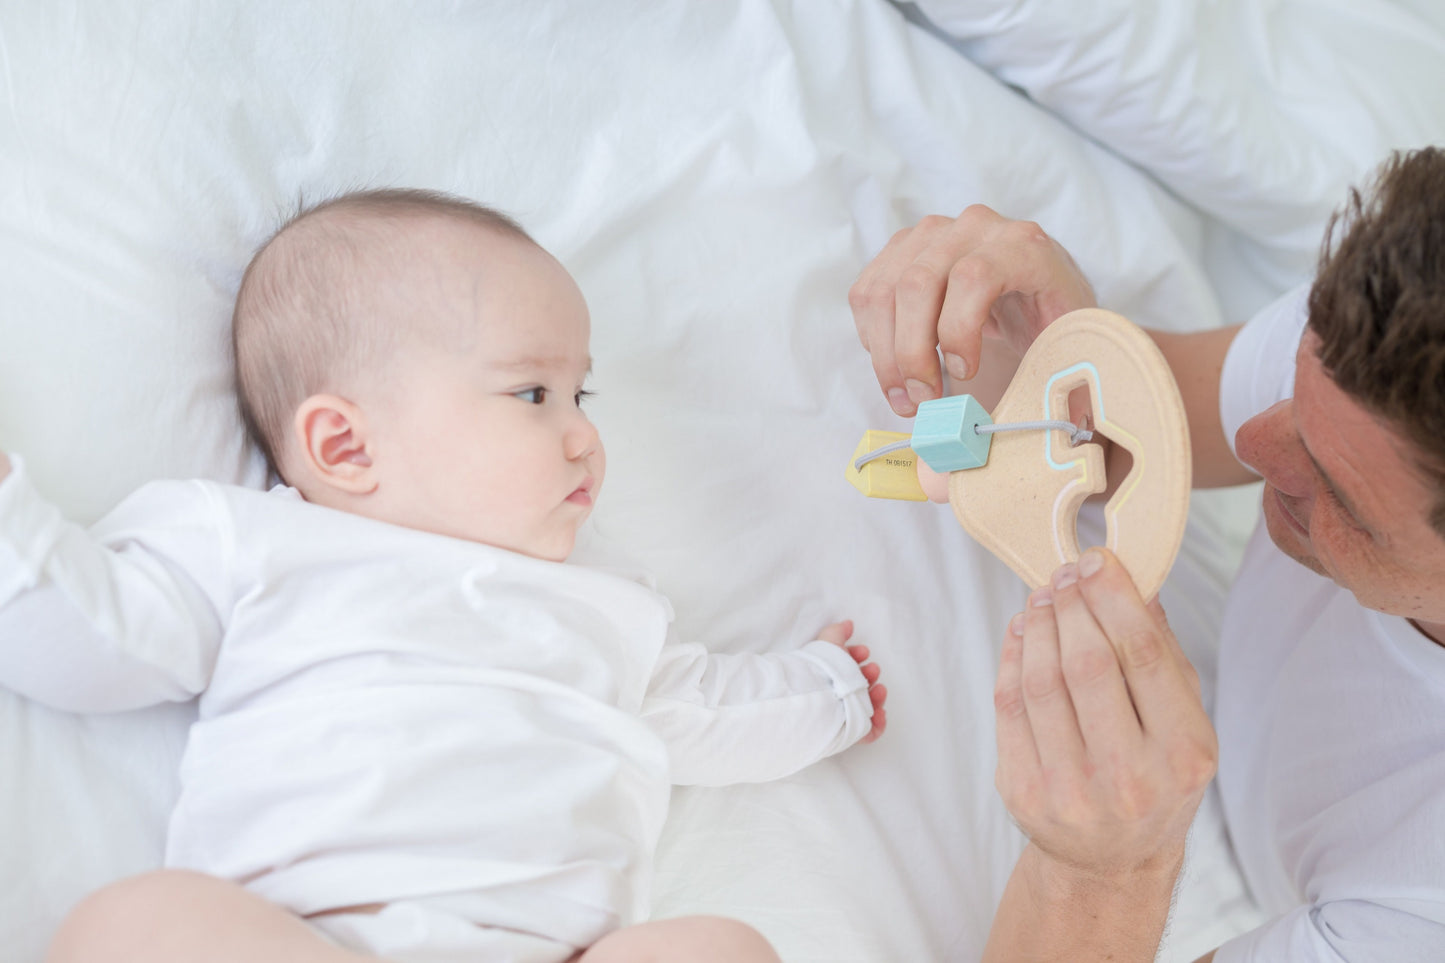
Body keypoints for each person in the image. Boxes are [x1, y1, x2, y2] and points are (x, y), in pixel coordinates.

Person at [0, 189, 888, 963]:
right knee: (132, 924)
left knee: (719, 947)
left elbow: (703, 711)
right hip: (309, 934)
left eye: (579, 395)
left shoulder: (604, 601)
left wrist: (826, 693)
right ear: (345, 445)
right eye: (532, 394)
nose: (584, 435)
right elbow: (94, 634)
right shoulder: (257, 545)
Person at [849, 146, 1445, 961]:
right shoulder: (1395, 334)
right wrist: (1051, 354)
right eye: (1290, 387)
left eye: (1340, 496)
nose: (1251, 446)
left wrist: (1100, 876)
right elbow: (1151, 429)